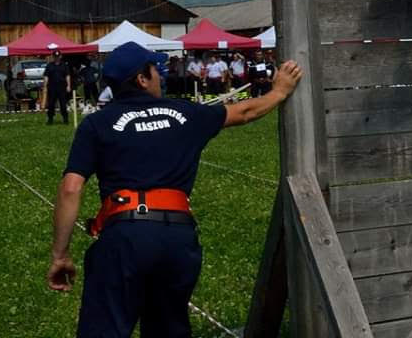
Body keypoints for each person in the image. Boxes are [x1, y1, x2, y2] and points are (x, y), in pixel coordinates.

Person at [46, 41, 303, 336]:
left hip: (124, 238)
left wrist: (60, 255)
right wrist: (279, 92)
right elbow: (245, 112)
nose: (161, 75)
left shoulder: (97, 124)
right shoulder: (185, 112)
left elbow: (70, 188)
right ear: (142, 78)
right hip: (176, 239)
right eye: (156, 70)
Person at [43, 50, 72, 125]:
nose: (57, 58)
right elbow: (46, 76)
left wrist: (68, 85)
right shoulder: (49, 65)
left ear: (60, 56)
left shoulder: (64, 65)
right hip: (52, 87)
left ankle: (65, 119)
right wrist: (45, 86)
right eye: (55, 57)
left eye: (58, 56)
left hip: (62, 87)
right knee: (51, 104)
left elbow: (67, 76)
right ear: (53, 57)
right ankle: (50, 119)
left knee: (63, 104)